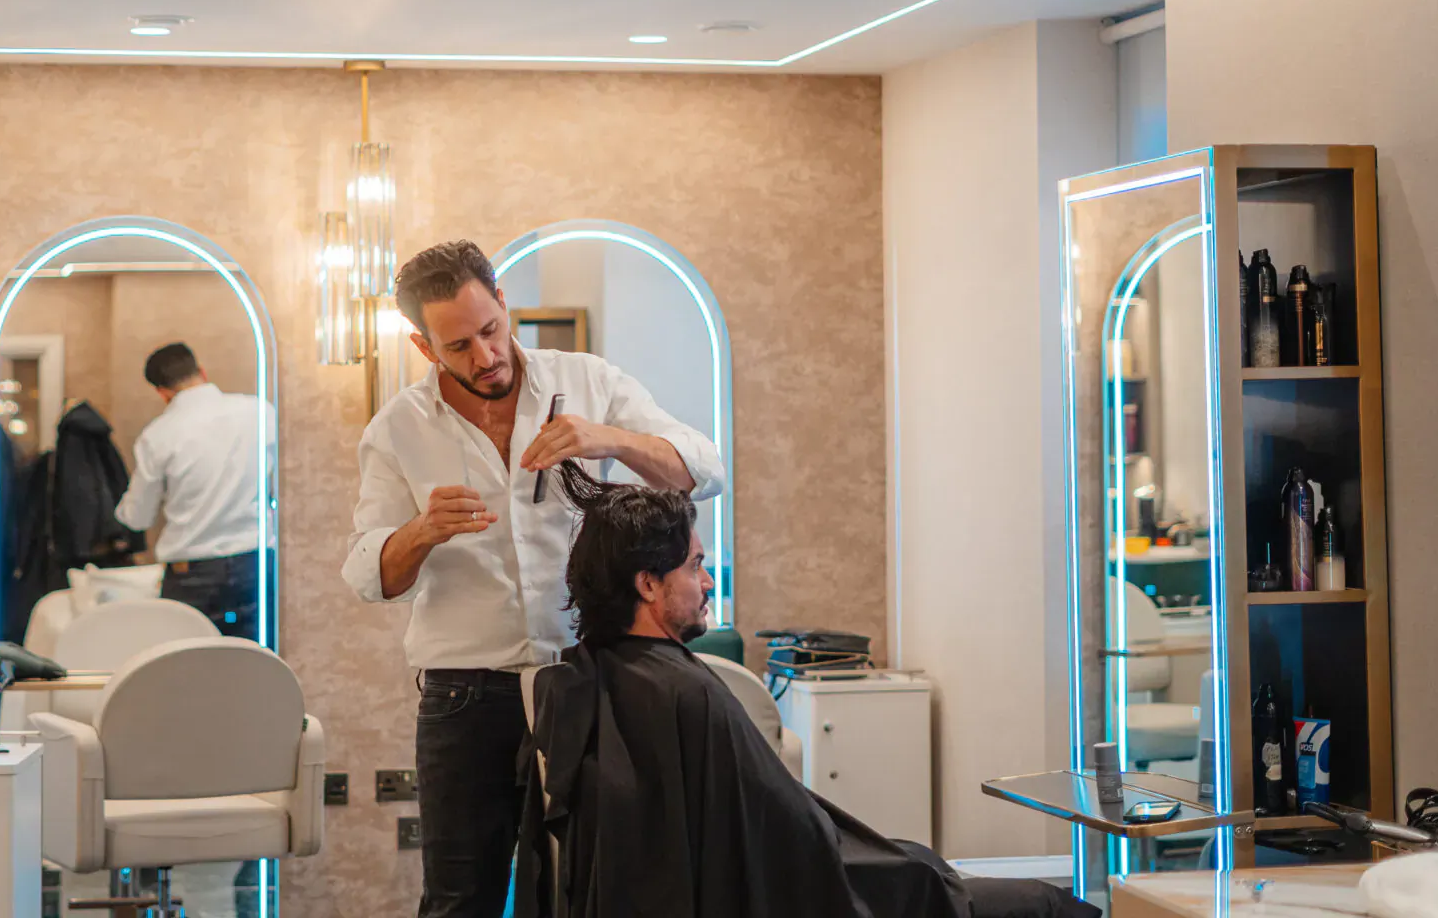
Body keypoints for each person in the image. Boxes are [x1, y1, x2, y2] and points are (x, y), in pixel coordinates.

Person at [515, 462, 1097, 918]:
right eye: (694, 567)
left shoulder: (584, 676)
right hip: (821, 897)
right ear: (647, 583)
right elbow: (802, 848)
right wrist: (914, 869)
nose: (708, 581)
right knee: (1044, 904)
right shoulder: (690, 694)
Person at [343, 240, 726, 918]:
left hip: (586, 679)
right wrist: (420, 532)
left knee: (590, 889)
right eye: (458, 346)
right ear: (424, 347)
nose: (485, 356)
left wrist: (611, 441)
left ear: (504, 307)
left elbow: (706, 469)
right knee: (462, 898)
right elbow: (370, 576)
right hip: (464, 699)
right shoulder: (396, 429)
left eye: (491, 330)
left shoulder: (587, 383)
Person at [115, 342, 276, 644]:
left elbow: (137, 518)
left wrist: (121, 510)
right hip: (254, 564)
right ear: (201, 371)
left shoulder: (158, 435)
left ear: (161, 392)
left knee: (187, 673)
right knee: (257, 667)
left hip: (192, 576)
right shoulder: (259, 411)